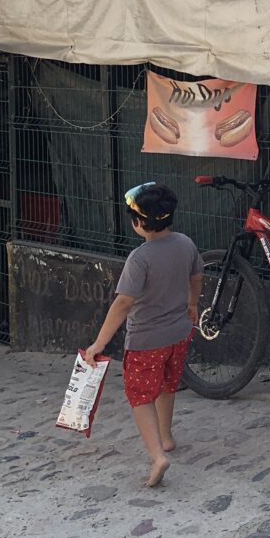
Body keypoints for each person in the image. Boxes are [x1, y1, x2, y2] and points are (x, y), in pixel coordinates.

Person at [87, 182, 203, 487]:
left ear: (139, 222)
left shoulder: (139, 258)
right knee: (167, 384)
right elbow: (197, 276)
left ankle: (157, 456)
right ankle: (166, 437)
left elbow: (123, 302)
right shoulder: (186, 244)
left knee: (140, 397)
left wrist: (99, 342)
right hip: (179, 333)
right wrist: (192, 305)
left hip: (145, 340)